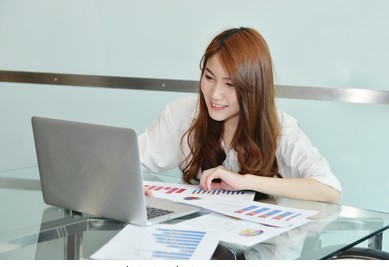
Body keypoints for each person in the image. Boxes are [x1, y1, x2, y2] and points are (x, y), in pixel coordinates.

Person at [139, 27, 342, 204]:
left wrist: (245, 181)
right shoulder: (182, 114)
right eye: (209, 77)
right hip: (197, 236)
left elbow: (329, 190)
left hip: (261, 243)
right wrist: (133, 186)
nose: (215, 94)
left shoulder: (280, 128)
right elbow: (130, 161)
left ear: (253, 86)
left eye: (230, 84)